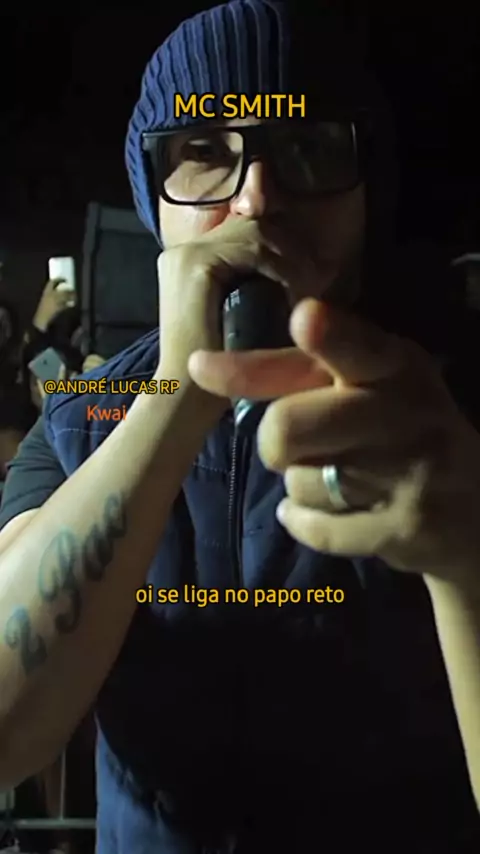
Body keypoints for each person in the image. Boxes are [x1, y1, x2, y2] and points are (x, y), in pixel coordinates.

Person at [0, 2, 479, 852]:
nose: (258, 199)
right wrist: (173, 395)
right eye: (203, 151)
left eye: (308, 147)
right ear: (153, 200)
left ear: (368, 187)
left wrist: (467, 561)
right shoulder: (84, 418)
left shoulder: (451, 402)